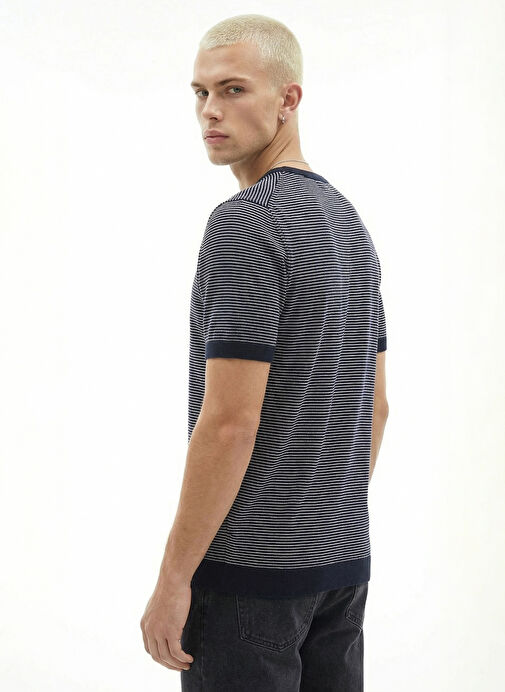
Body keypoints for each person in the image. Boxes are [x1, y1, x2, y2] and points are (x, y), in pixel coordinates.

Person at [140, 13, 389, 691]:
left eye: (233, 89)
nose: (209, 111)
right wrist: (319, 521)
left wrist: (173, 578)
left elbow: (228, 423)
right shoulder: (351, 227)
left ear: (288, 98)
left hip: (247, 579)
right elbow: (375, 407)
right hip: (340, 569)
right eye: (200, 92)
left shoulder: (244, 223)